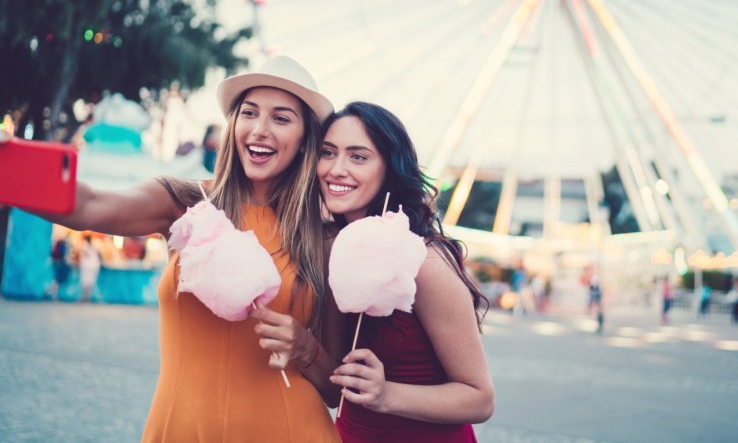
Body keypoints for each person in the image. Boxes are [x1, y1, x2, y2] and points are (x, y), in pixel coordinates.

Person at [0, 55, 345, 442]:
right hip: (181, 429)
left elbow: (334, 390)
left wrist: (306, 348)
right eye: (249, 113)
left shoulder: (325, 239)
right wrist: (8, 167)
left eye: (281, 118)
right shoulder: (184, 203)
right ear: (233, 125)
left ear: (304, 141)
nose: (260, 129)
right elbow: (90, 204)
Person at [317, 101, 495, 442]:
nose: (336, 169)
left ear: (390, 169)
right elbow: (333, 389)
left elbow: (480, 398)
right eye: (327, 153)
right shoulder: (332, 250)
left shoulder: (425, 263)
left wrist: (386, 395)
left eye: (358, 157)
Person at [79, 235, 101, 302]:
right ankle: (87, 297)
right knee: (90, 282)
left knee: (85, 282)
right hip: (93, 265)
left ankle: (85, 297)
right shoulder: (95, 245)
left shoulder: (85, 245)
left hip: (87, 266)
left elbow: (85, 254)